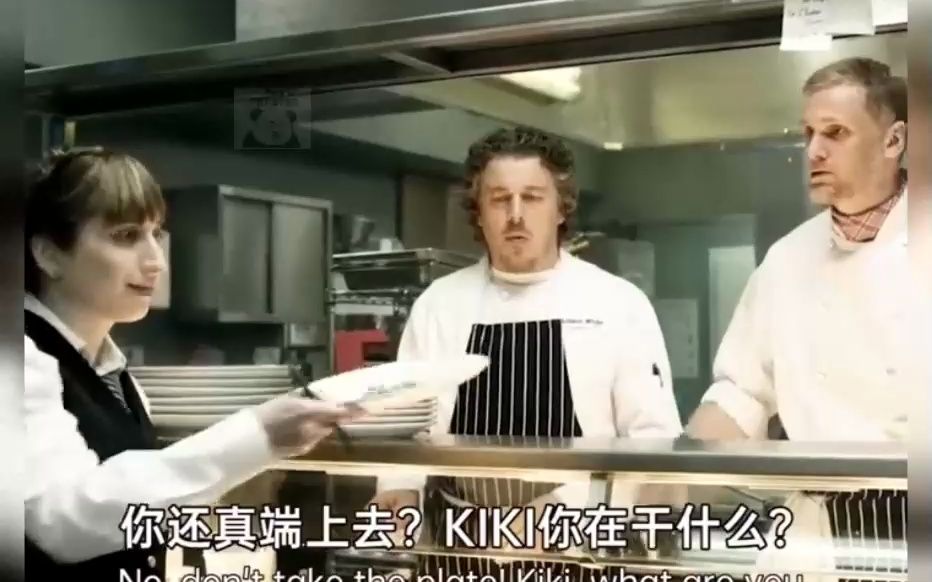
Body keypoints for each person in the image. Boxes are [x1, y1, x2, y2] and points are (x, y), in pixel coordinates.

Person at [24, 148, 359, 579]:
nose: (156, 262)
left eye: (155, 235)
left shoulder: (115, 376)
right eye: (125, 236)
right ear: (48, 254)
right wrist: (260, 434)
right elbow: (61, 520)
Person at [369, 127, 683, 579]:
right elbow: (406, 429)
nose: (515, 215)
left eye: (532, 198)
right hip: (458, 553)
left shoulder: (617, 303)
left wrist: (565, 511)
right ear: (479, 212)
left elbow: (652, 443)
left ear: (561, 208)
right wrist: (400, 493)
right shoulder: (438, 305)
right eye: (499, 199)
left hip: (575, 553)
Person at [687, 58, 915, 579]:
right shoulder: (787, 259)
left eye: (835, 133)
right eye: (808, 133)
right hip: (817, 533)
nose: (813, 151)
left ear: (893, 140)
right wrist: (670, 473)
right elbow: (743, 393)